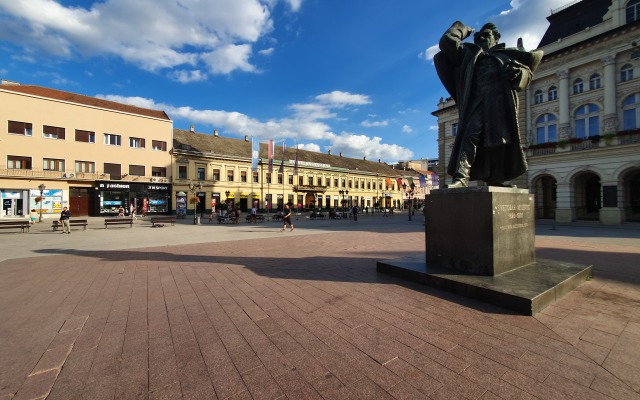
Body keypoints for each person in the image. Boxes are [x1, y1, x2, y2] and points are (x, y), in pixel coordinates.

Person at [435, 21, 542, 188]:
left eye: (486, 35)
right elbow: (447, 42)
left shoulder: (508, 55)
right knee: (469, 136)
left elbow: (527, 74)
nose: (481, 39)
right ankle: (461, 177)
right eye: (478, 37)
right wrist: (463, 30)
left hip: (499, 102)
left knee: (499, 140)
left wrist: (517, 73)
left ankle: (496, 178)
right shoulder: (468, 55)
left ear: (496, 39)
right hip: (476, 102)